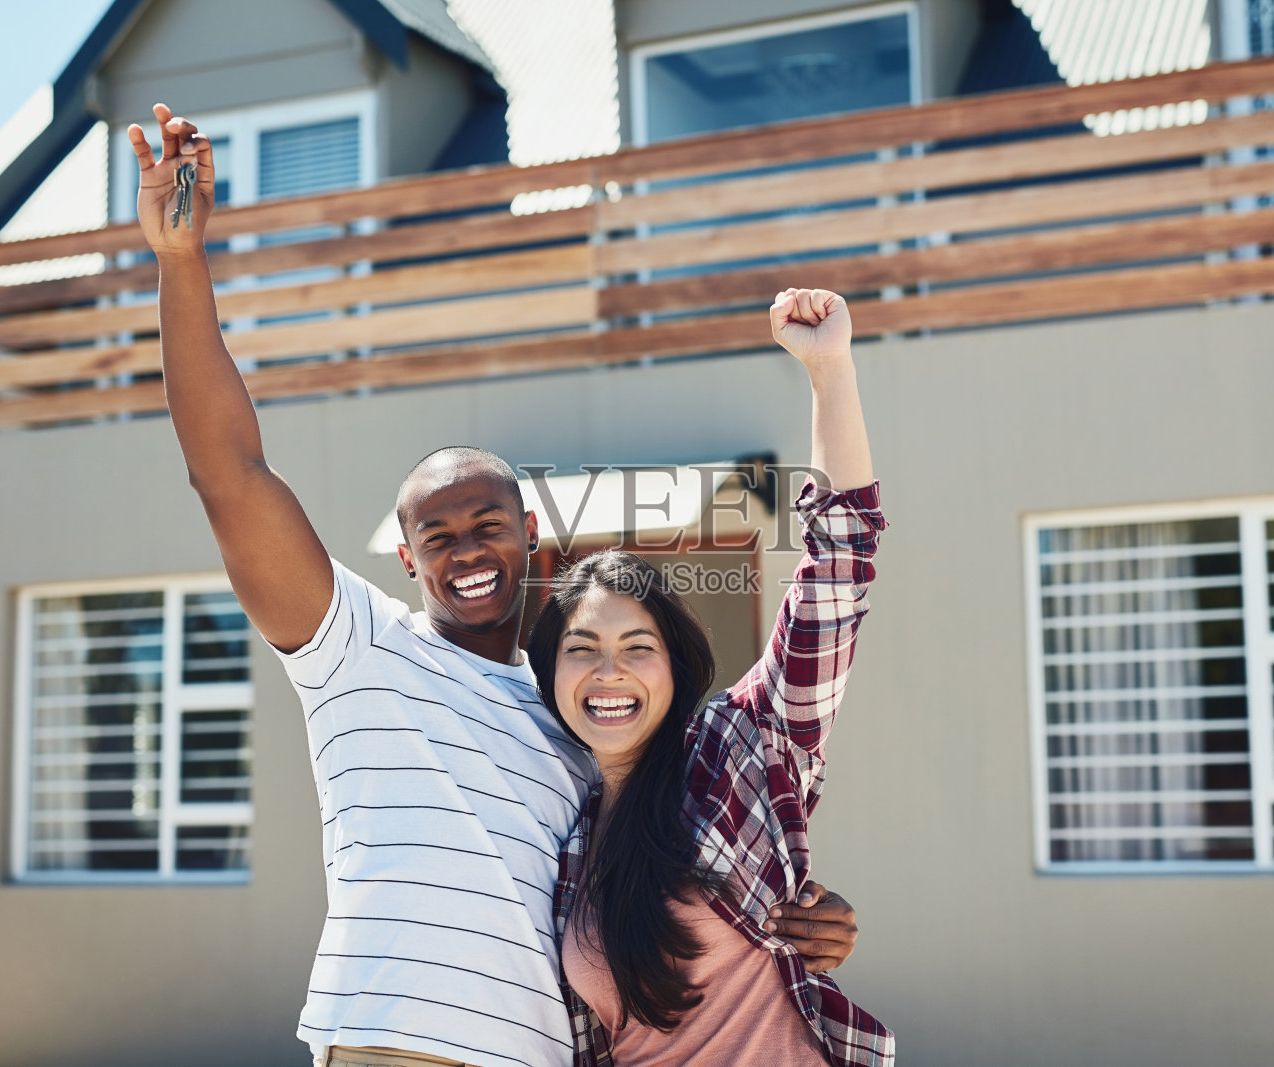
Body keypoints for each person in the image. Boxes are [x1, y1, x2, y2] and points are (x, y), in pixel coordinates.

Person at [128, 105, 864, 1067]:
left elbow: (678, 871)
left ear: (530, 534)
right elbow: (230, 473)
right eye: (436, 533)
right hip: (393, 1045)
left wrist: (803, 909)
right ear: (404, 553)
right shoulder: (357, 649)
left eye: (487, 524)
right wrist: (181, 262)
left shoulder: (583, 725)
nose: (465, 549)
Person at [527, 288, 894, 1066]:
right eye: (582, 647)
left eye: (637, 646)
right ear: (551, 671)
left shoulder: (742, 748)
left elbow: (835, 570)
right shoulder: (565, 828)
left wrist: (830, 373)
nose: (609, 672)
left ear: (676, 663)